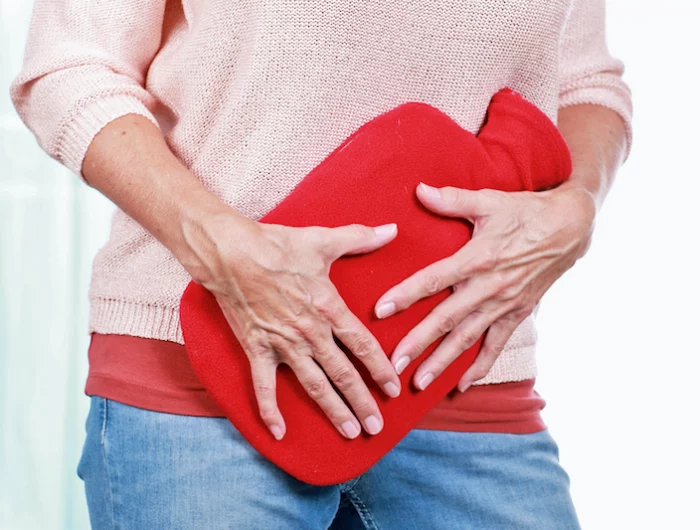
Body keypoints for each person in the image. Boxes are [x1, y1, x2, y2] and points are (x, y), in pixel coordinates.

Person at [11, 0, 632, 528]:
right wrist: (226, 250)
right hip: (210, 379)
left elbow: (582, 87)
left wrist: (576, 206)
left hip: (462, 375)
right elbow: (72, 67)